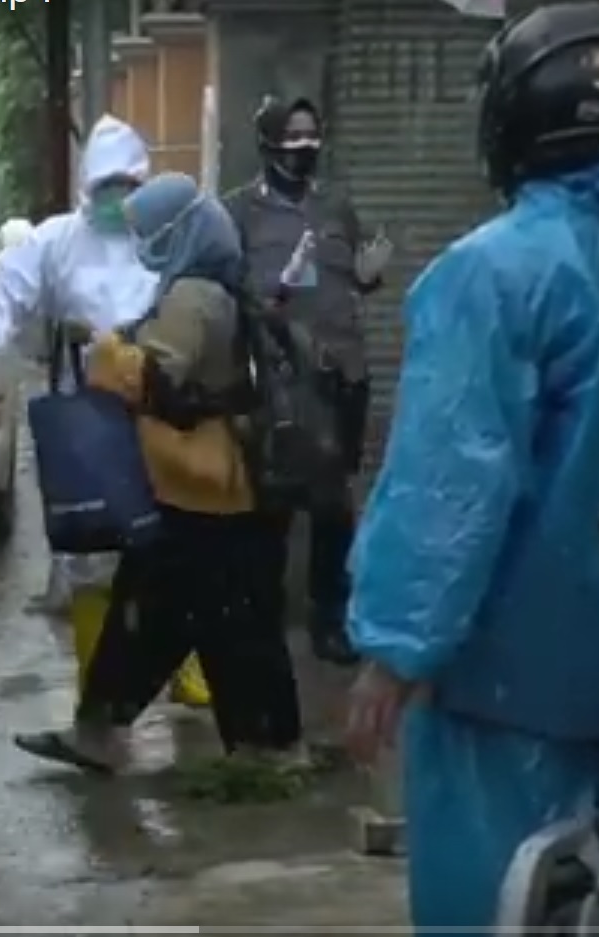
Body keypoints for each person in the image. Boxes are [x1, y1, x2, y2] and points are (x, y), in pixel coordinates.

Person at [340, 5, 599, 933]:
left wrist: (394, 648)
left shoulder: (489, 275)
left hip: (507, 699)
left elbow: (448, 484)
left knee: (501, 910)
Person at [13, 172, 302, 771]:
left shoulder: (194, 294)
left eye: (151, 231)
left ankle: (267, 752)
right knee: (161, 616)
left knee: (218, 624)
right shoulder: (218, 283)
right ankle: (109, 729)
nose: (142, 245)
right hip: (205, 491)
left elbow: (157, 378)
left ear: (184, 231)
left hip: (207, 491)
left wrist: (104, 351)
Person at [0, 115, 161, 618]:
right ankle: (101, 674)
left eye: (127, 185)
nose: (117, 198)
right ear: (88, 187)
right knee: (90, 541)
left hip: (162, 404)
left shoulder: (164, 236)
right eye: (107, 186)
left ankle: (175, 656)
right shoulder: (59, 242)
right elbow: (5, 288)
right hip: (89, 411)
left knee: (165, 541)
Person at [223, 96, 394, 666]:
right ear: (268, 143)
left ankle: (330, 618)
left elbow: (353, 278)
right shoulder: (240, 211)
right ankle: (262, 613)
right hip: (277, 376)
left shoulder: (335, 207)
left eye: (312, 137)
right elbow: (233, 294)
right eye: (293, 138)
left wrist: (370, 277)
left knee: (333, 502)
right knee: (271, 499)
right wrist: (272, 300)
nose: (304, 148)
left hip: (341, 372)